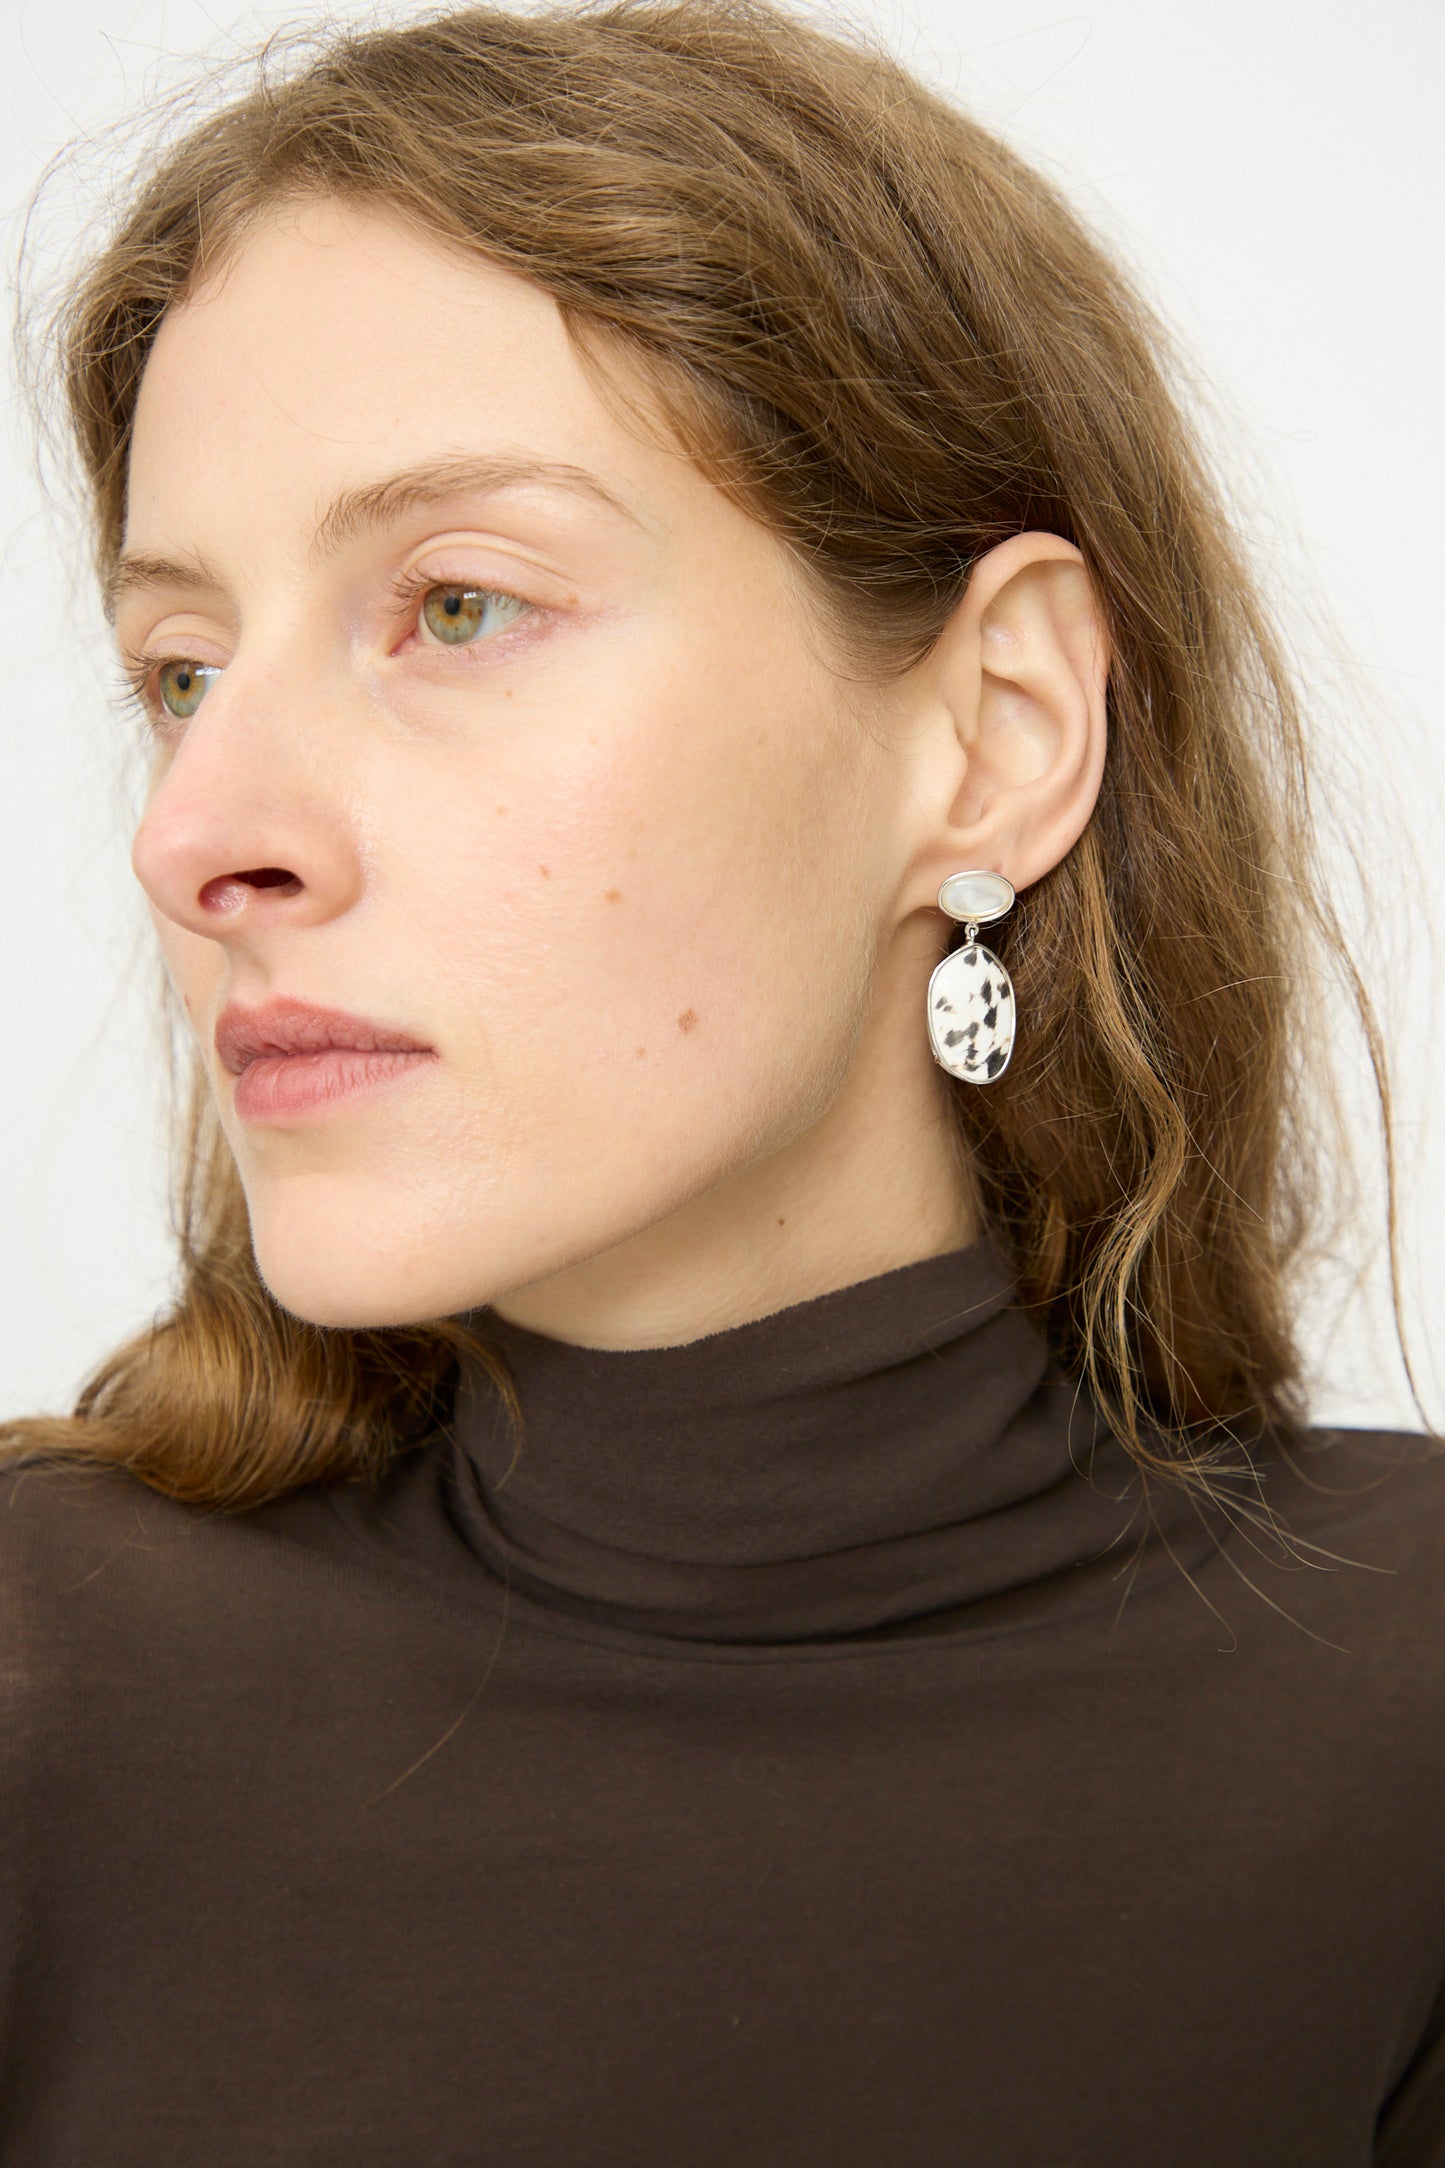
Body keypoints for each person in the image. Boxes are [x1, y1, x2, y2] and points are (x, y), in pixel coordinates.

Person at [2, 1, 1441, 2159]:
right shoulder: (42, 1698)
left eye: (459, 607)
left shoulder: (1407, 1739)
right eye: (183, 671)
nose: (197, 830)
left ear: (996, 732)